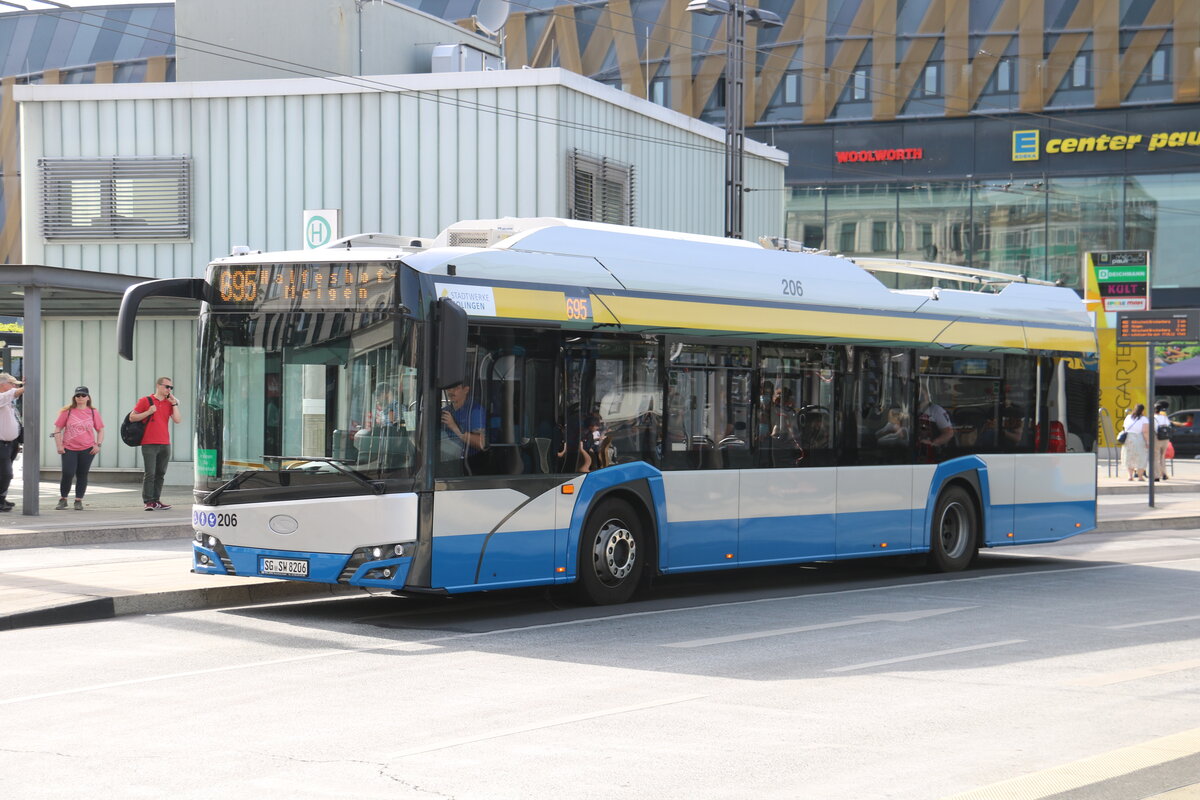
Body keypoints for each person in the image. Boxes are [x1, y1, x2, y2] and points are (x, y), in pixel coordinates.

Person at [128, 377, 181, 510]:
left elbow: (177, 420)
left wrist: (174, 404)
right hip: (149, 443)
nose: (169, 389)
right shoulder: (145, 401)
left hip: (165, 442)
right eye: (166, 386)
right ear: (158, 386)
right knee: (150, 473)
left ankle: (156, 500)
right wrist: (148, 412)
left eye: (171, 387)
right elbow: (132, 417)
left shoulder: (170, 403)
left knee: (160, 473)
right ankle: (148, 501)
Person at [52, 386, 105, 510]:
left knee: (82, 474)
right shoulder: (67, 412)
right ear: (74, 397)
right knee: (68, 473)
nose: (80, 398)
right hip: (69, 448)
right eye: (78, 395)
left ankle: (78, 500)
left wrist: (98, 444)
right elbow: (57, 429)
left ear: (88, 397)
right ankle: (63, 499)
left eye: (83, 395)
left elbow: (100, 430)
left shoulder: (93, 412)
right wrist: (59, 445)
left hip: (87, 449)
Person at [440, 381, 485, 461]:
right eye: (449, 388)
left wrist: (454, 427)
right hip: (446, 459)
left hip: (470, 462)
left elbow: (481, 443)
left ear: (466, 390)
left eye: (456, 388)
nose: (451, 391)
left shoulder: (475, 411)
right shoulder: (444, 411)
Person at [0, 372, 25, 512]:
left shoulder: (7, 400)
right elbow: (9, 395)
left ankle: (1, 499)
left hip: (11, 443)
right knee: (6, 474)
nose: (15, 387)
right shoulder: (2, 397)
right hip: (1, 443)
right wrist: (24, 388)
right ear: (2, 385)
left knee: (5, 474)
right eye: (12, 384)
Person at [917, 381, 954, 461]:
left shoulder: (937, 411)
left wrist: (933, 443)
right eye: (917, 395)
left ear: (927, 395)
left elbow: (949, 433)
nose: (920, 398)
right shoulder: (908, 410)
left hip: (932, 453)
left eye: (922, 395)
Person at [1121, 403, 1150, 481]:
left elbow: (1124, 427)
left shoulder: (1128, 417)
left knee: (1129, 457)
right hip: (1139, 438)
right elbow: (1145, 431)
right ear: (1142, 410)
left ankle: (1130, 476)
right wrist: (1147, 442)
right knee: (1141, 457)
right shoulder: (1144, 419)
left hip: (1128, 439)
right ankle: (1140, 476)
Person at [1153, 401, 1172, 481]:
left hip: (1157, 438)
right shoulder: (1165, 417)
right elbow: (1168, 425)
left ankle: (1156, 476)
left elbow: (1153, 428)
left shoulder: (1153, 418)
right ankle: (1164, 474)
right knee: (1162, 457)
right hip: (1165, 438)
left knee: (1155, 457)